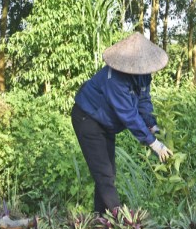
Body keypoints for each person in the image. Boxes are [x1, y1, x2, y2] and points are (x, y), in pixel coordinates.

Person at [71, 32, 173, 215]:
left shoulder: (143, 74)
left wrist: (153, 127)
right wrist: (153, 144)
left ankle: (100, 219)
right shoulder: (115, 79)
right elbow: (129, 114)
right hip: (88, 118)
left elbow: (143, 101)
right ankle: (121, 220)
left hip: (105, 122)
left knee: (108, 172)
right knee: (104, 173)